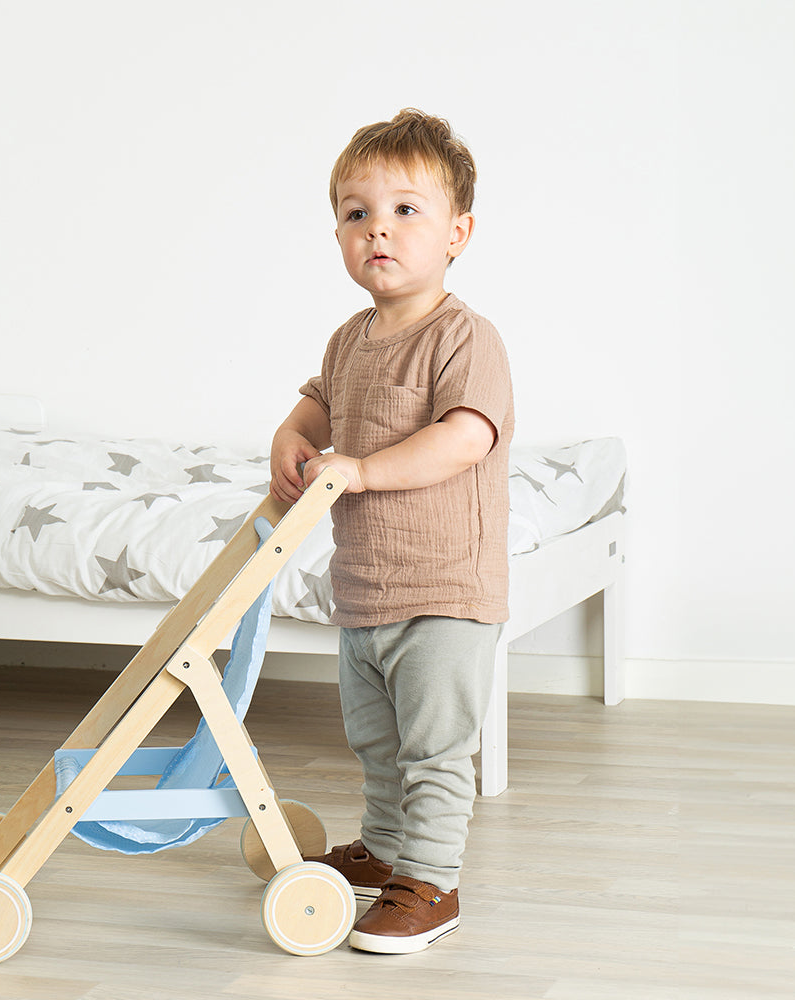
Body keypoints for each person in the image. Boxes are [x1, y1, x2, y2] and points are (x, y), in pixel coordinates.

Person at [269, 108, 514, 955]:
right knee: (375, 736)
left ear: (458, 233)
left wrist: (365, 468)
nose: (379, 229)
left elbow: (466, 436)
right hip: (366, 589)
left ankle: (433, 879)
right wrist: (292, 435)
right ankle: (383, 846)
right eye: (356, 212)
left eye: (407, 210)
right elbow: (319, 401)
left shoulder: (464, 336)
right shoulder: (350, 340)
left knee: (435, 744)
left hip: (445, 588)